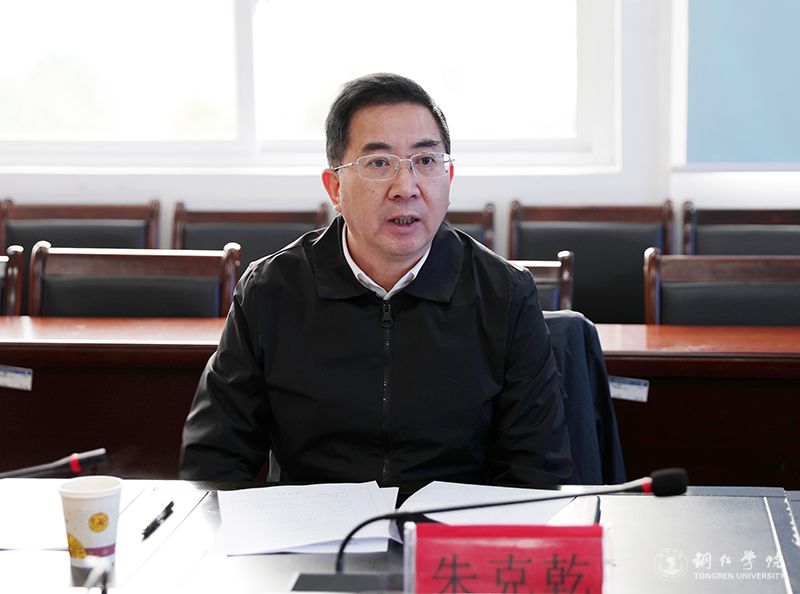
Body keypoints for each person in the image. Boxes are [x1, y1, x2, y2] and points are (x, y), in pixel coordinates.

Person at [179, 73, 572, 486]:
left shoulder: (505, 295)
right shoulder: (270, 291)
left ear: (449, 178)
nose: (406, 188)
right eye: (379, 163)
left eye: (426, 161)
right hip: (312, 523)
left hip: (451, 524)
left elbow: (536, 471)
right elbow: (214, 460)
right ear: (335, 188)